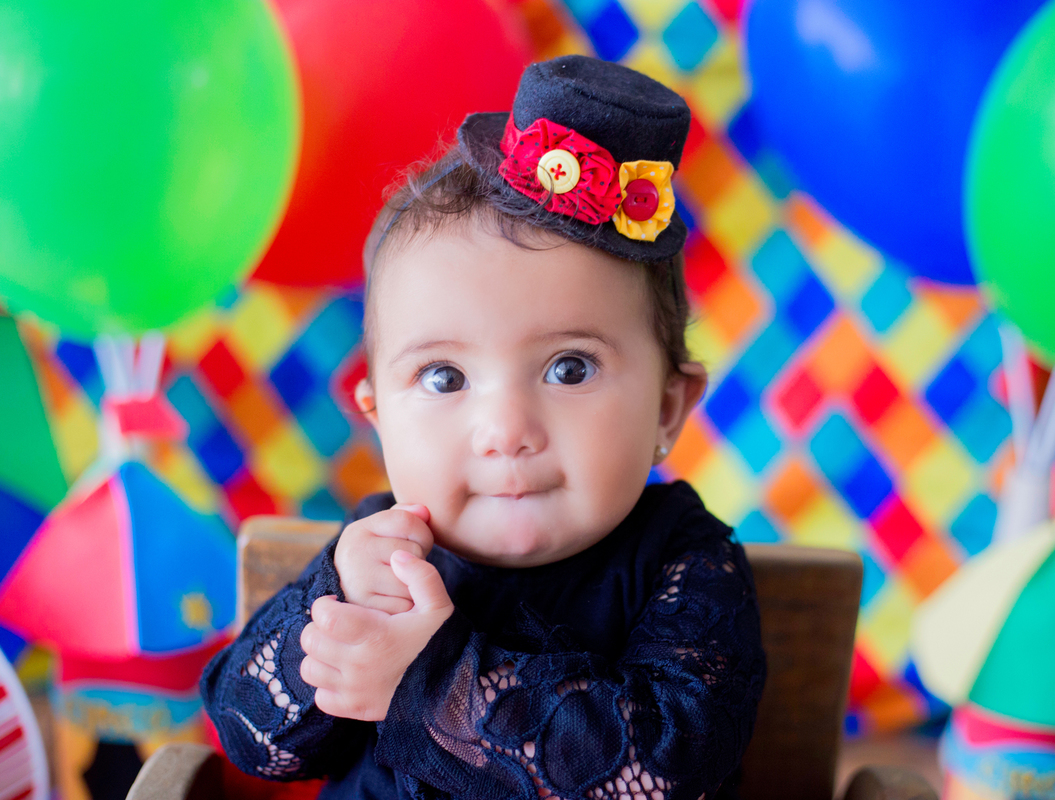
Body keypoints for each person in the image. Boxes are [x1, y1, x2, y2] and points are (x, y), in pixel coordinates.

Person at [201, 55, 766, 800]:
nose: (505, 430)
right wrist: (334, 613)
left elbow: (662, 771)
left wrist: (425, 687)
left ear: (667, 408)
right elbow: (253, 745)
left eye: (569, 368)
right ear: (379, 417)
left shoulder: (684, 564)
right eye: (444, 377)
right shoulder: (376, 558)